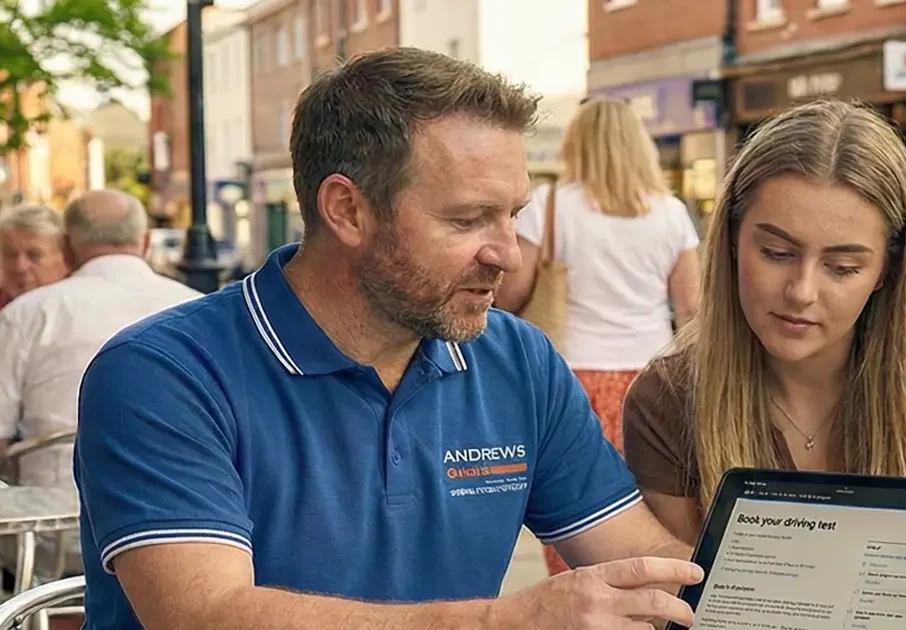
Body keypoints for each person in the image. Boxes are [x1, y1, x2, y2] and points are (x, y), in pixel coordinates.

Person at [73, 48, 701, 630]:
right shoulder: (162, 373)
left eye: (513, 215)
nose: (508, 255)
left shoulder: (517, 359)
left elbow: (641, 557)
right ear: (347, 210)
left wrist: (750, 585)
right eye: (467, 219)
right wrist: (508, 620)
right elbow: (205, 614)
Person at [622, 100, 906, 628]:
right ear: (730, 241)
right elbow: (683, 615)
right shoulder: (668, 398)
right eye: (776, 253)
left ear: (887, 270)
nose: (802, 291)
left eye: (842, 267)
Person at [495, 96, 701, 576]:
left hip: (575, 380)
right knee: (649, 525)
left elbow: (509, 294)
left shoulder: (550, 207)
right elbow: (691, 306)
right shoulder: (670, 213)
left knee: (575, 523)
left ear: (578, 144)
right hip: (654, 383)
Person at [0, 190, 201, 597]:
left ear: (67, 246)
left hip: (54, 541)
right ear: (146, 241)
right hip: (192, 535)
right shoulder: (201, 309)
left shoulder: (28, 314)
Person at [0, 204, 69, 309]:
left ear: (66, 258)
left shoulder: (80, 308)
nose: (20, 267)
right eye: (10, 255)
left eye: (34, 255)